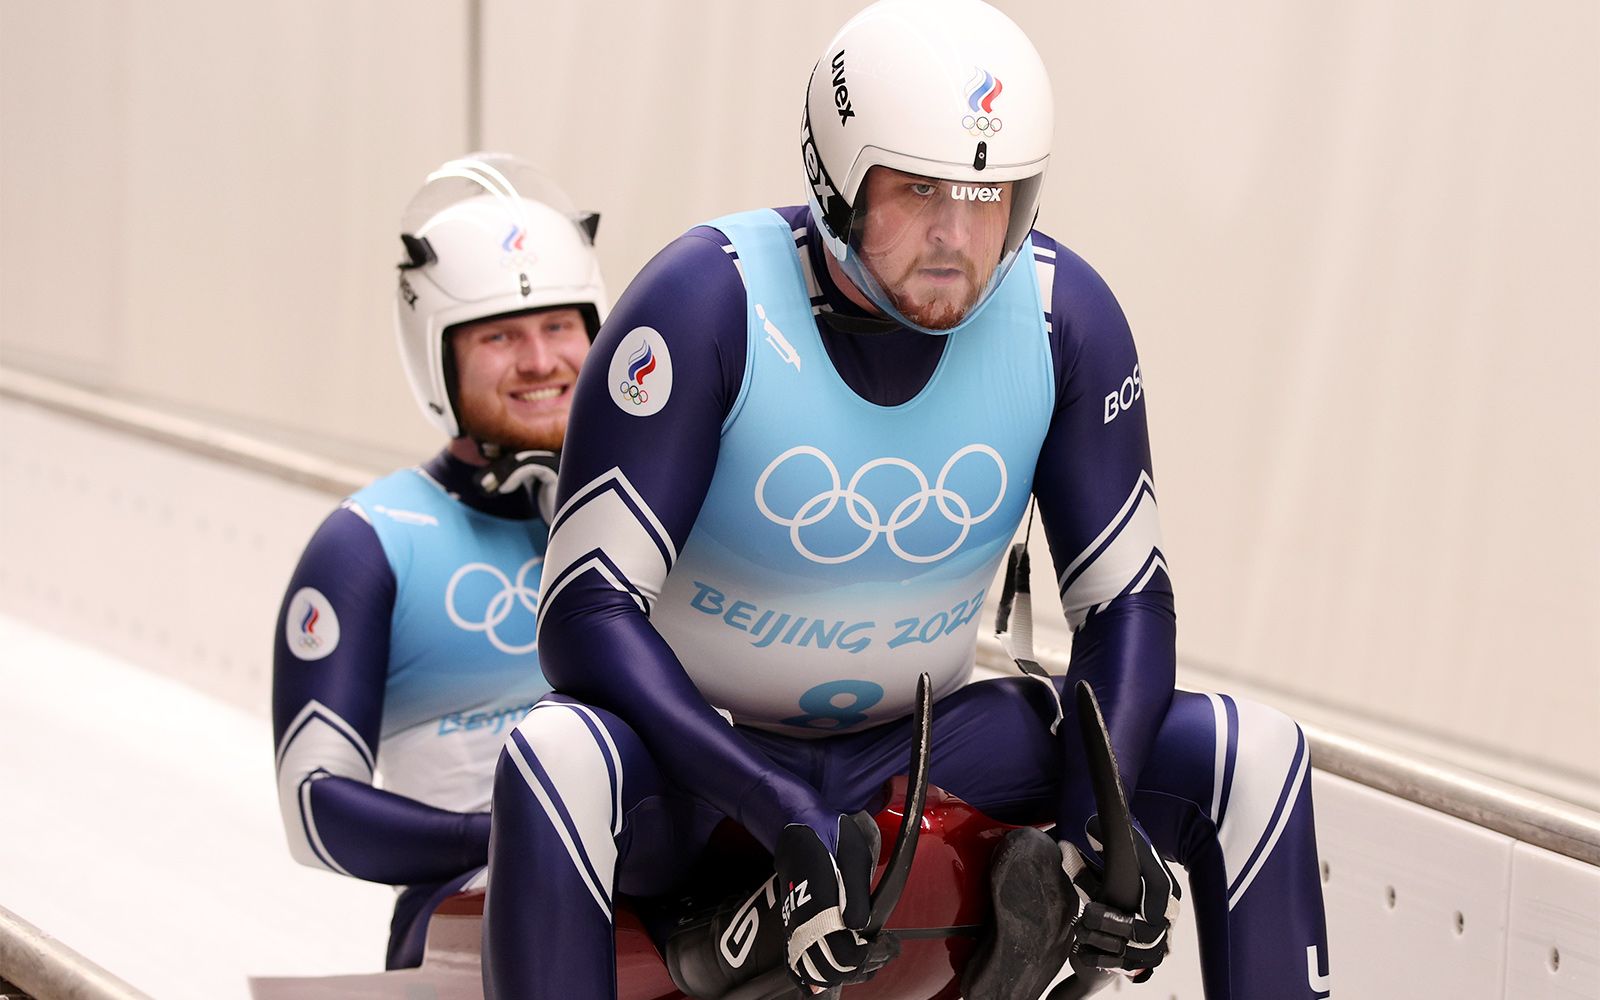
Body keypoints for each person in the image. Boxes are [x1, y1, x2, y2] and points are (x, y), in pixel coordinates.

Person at [485, 2, 1332, 998]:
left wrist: (1096, 830)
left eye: (988, 200)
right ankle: (734, 912)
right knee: (554, 754)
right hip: (701, 759)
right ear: (836, 178)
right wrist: (769, 802)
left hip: (925, 742)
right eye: (917, 190)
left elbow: (1126, 605)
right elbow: (583, 614)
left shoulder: (1067, 317)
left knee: (1255, 755)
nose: (952, 239)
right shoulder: (702, 300)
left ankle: (1019, 896)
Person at [271, 153, 606, 970]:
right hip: (464, 918)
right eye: (499, 335)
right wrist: (529, 836)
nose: (540, 361)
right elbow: (314, 808)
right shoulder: (368, 543)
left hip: (658, 901)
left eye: (560, 325)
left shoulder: (642, 513)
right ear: (438, 359)